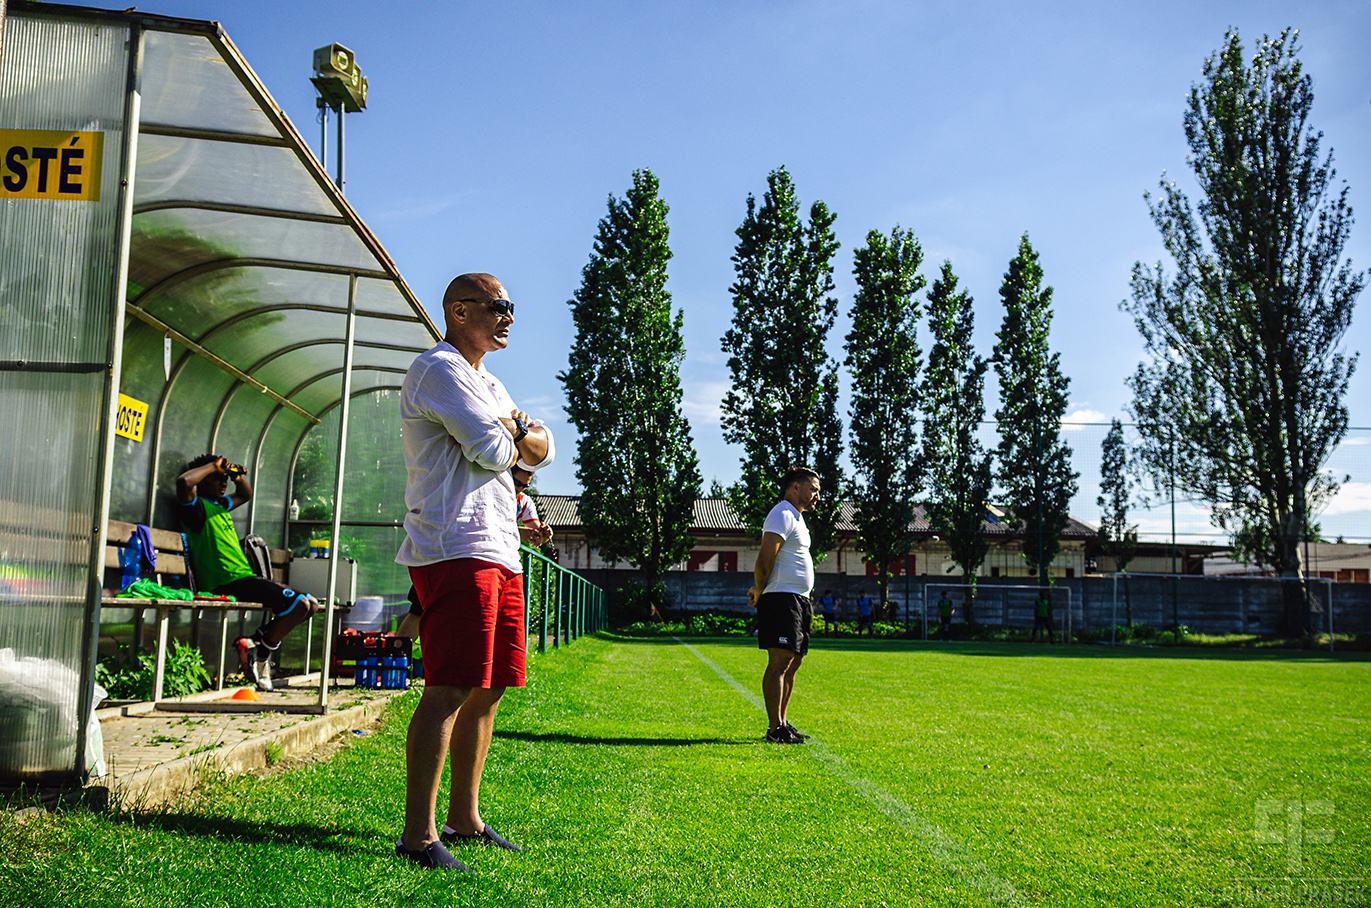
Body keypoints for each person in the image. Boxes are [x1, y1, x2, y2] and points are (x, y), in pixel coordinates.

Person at [394, 273, 554, 872]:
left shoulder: (489, 380)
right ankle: (418, 835)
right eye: (499, 307)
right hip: (455, 545)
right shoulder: (438, 369)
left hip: (499, 548)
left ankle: (464, 818)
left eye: (511, 307)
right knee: (450, 688)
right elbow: (497, 450)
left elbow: (543, 449)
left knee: (488, 689)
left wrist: (516, 435)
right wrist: (517, 432)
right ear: (460, 311)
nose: (510, 317)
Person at [176, 455, 321, 692]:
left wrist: (235, 475)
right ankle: (261, 653)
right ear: (202, 480)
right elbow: (183, 483)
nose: (224, 484)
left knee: (311, 604)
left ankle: (256, 642)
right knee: (300, 605)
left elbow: (245, 494)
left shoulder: (220, 506)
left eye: (225, 480)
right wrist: (214, 466)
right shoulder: (195, 508)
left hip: (242, 578)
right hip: (224, 581)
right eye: (216, 479)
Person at [395, 466, 551, 642]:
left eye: (524, 486)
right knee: (420, 610)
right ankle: (393, 658)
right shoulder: (485, 488)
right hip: (448, 553)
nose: (519, 489)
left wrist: (541, 535)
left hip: (486, 566)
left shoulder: (523, 502)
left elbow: (534, 533)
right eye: (516, 483)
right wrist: (519, 533)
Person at [748, 466, 821, 745]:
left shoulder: (798, 519)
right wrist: (761, 590)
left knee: (794, 662)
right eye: (813, 490)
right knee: (779, 662)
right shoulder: (781, 513)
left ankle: (784, 723)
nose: (817, 496)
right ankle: (774, 728)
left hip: (799, 600)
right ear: (795, 487)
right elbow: (765, 560)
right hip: (781, 598)